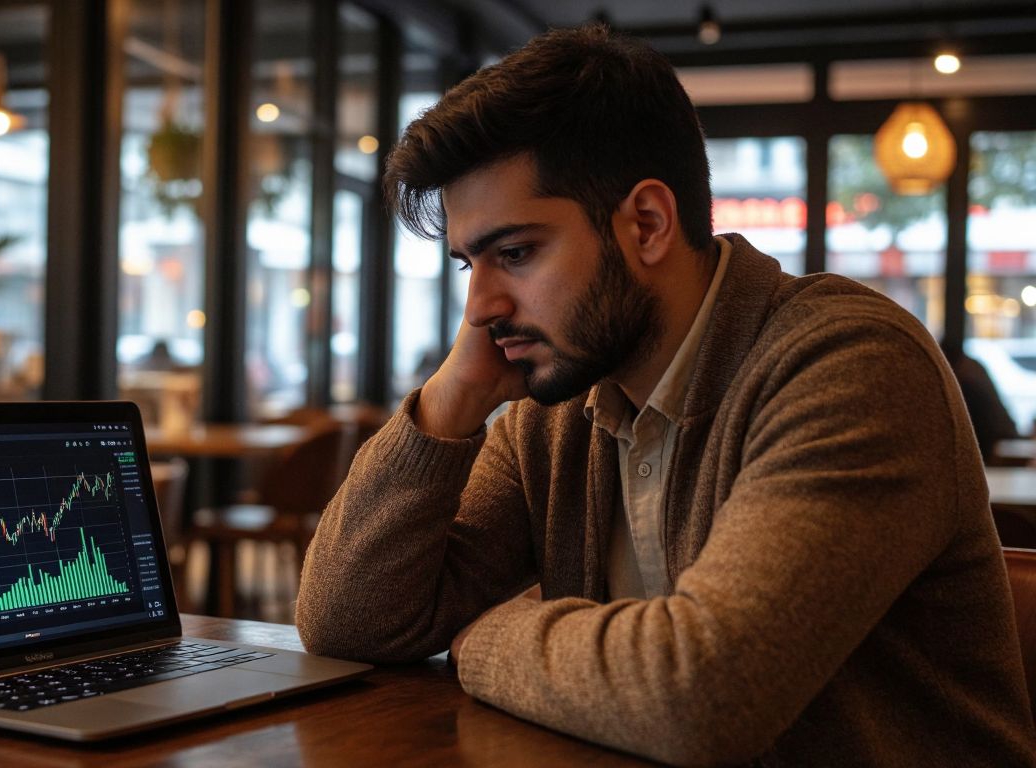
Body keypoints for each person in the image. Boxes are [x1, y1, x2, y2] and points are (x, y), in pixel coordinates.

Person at [294, 25, 1034, 765]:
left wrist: (484, 637)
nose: (480, 307)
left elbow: (702, 695)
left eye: (515, 254)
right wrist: (451, 399)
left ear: (646, 223)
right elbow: (347, 620)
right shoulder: (555, 411)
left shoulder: (852, 365)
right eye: (469, 265)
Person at [940, 337, 1020, 463]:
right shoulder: (974, 368)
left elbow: (978, 428)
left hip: (995, 443)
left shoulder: (967, 381)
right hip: (1000, 437)